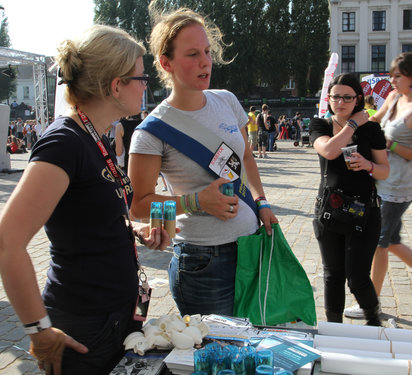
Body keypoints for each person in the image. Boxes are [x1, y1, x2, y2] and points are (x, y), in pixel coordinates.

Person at [0, 25, 171, 375]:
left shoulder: (95, 137)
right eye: (141, 77)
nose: (145, 86)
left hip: (114, 318)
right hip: (84, 327)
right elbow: (7, 243)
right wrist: (38, 329)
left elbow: (84, 215)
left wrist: (132, 229)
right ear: (116, 85)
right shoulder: (65, 142)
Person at [128, 6, 277, 317]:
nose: (206, 61)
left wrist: (260, 201)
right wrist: (195, 201)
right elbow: (139, 207)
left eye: (207, 51)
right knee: (215, 356)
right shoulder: (150, 132)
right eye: (193, 53)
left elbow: (246, 157)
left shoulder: (227, 101)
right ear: (165, 63)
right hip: (202, 263)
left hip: (250, 248)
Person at [344, 52, 412, 318]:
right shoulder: (393, 98)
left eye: (397, 76)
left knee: (381, 242)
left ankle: (372, 303)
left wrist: (392, 145)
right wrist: (349, 118)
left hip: (399, 187)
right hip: (381, 179)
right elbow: (375, 120)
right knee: (391, 241)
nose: (391, 80)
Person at [310, 73, 389, 325]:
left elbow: (385, 171)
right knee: (333, 275)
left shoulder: (372, 130)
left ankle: (373, 321)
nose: (341, 102)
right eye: (336, 97)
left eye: (347, 97)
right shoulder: (319, 125)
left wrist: (368, 165)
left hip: (365, 212)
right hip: (329, 212)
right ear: (329, 98)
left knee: (357, 277)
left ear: (358, 99)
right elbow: (330, 150)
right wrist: (352, 125)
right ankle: (334, 330)